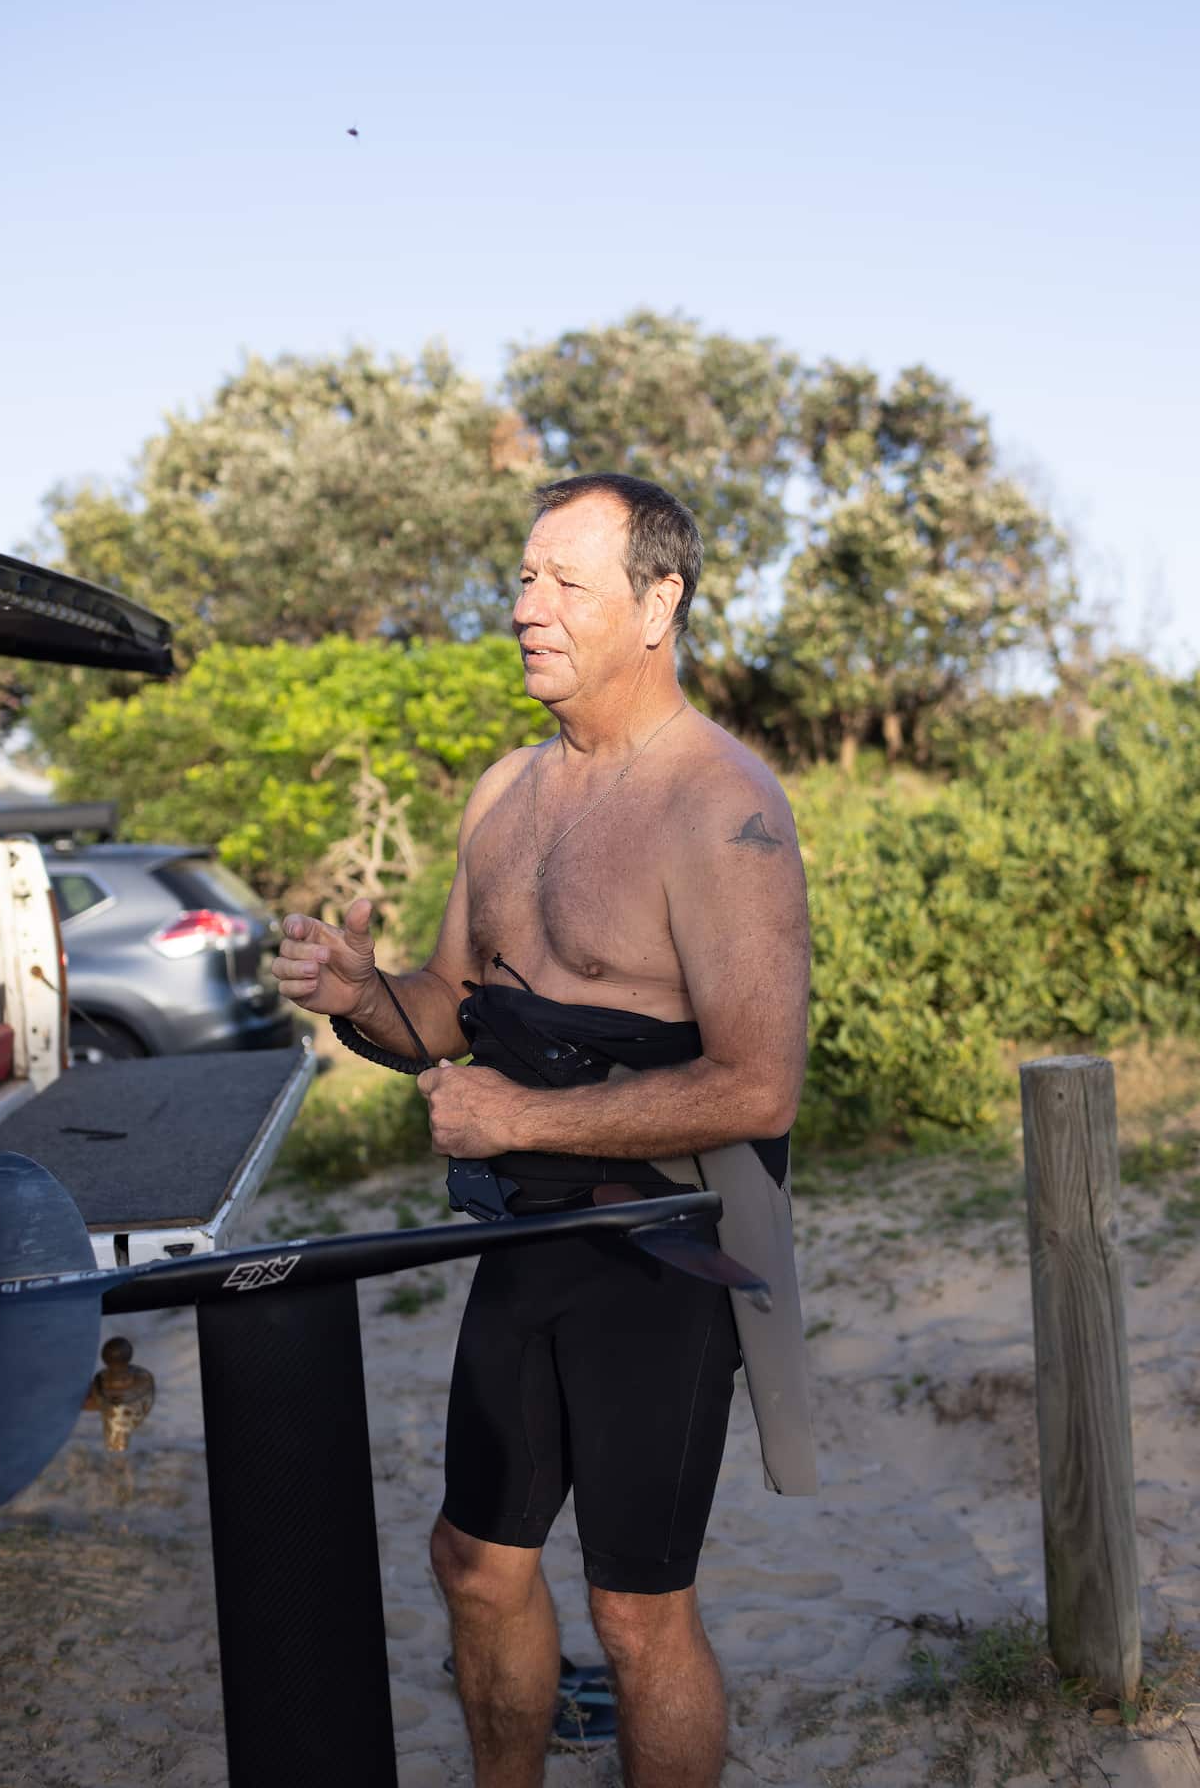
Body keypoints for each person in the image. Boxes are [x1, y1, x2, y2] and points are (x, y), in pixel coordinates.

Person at [274, 473, 813, 1788]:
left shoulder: (721, 808)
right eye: (521, 578)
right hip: (526, 1236)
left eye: (566, 582)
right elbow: (450, 1007)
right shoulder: (507, 794)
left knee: (636, 1614)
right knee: (476, 1564)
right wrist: (361, 998)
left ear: (658, 603)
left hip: (666, 1246)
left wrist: (520, 1110)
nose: (527, 608)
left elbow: (759, 1087)